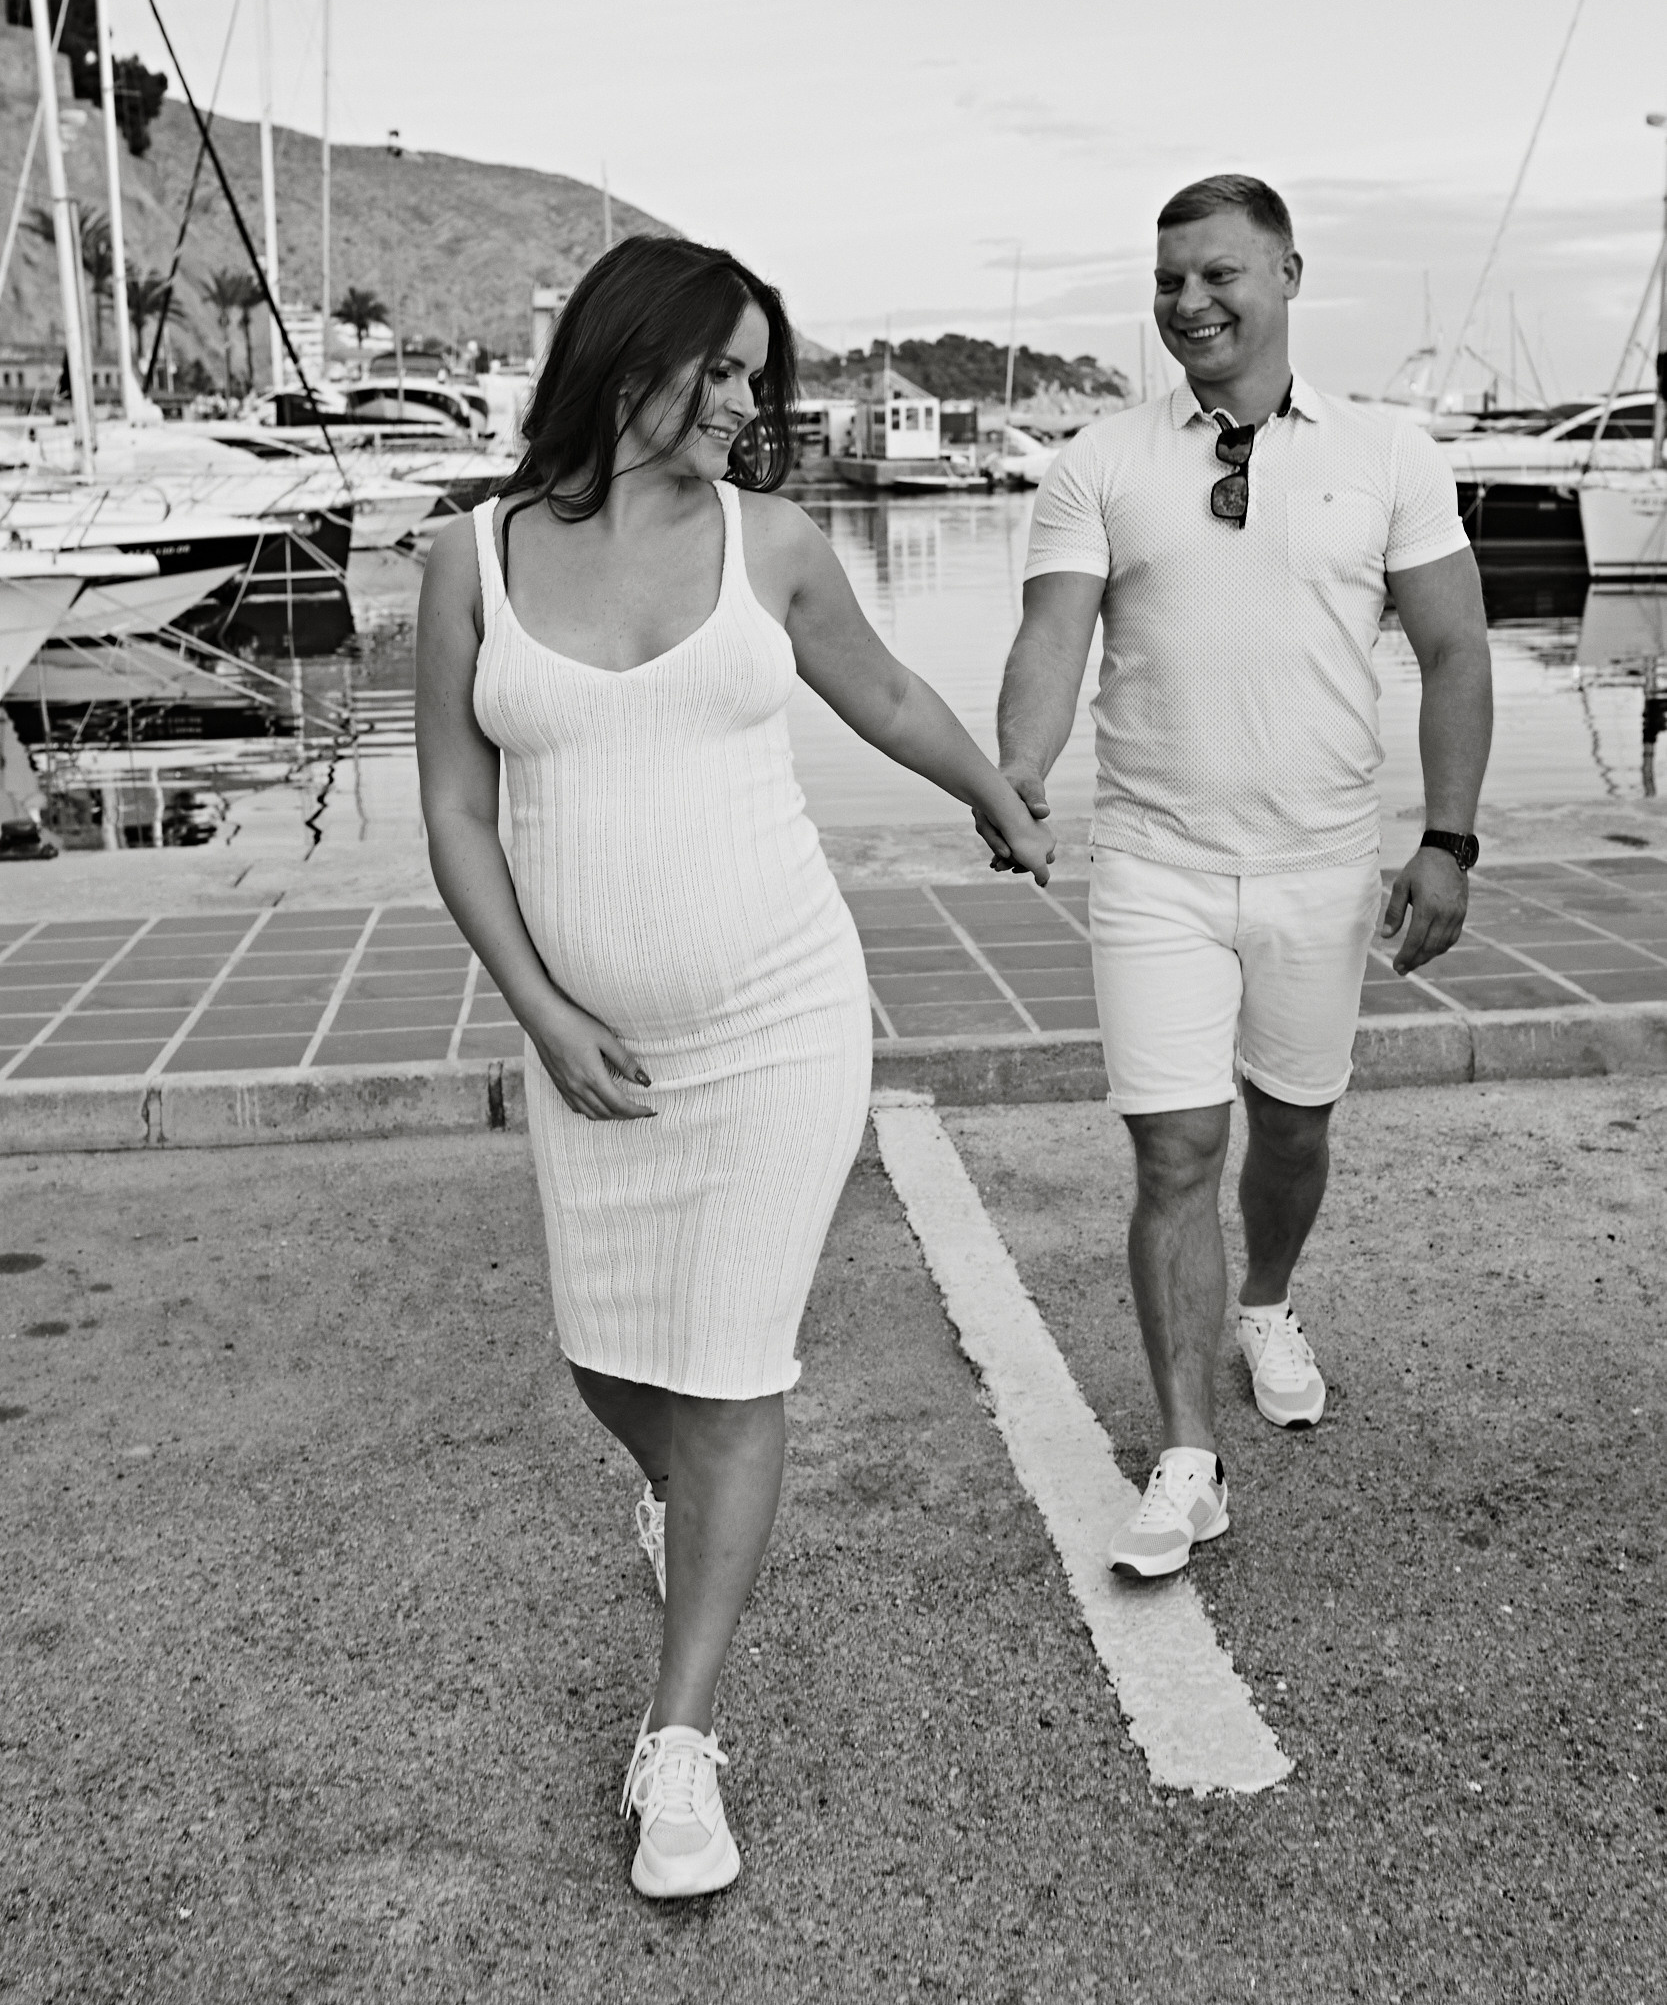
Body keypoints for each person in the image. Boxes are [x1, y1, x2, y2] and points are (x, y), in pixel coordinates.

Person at [416, 237, 1053, 1899]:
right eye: (724, 373)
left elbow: (885, 691)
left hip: (782, 1016)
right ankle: (684, 1497)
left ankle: (680, 1741)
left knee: (734, 1379)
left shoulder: (770, 542)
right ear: (631, 361)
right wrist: (540, 1010)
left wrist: (994, 794)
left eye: (759, 378)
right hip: (595, 1050)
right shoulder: (472, 560)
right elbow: (458, 813)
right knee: (612, 1371)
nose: (747, 407)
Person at [981, 175, 1492, 1580]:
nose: (1190, 304)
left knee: (1295, 1129)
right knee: (1174, 1151)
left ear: (1287, 275)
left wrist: (1447, 839)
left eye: (1219, 275)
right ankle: (1186, 1455)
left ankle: (1267, 1301)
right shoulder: (1099, 460)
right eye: (1169, 282)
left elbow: (1456, 648)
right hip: (1156, 863)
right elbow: (1053, 638)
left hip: (1324, 866)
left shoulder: (1389, 454)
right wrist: (1018, 769)